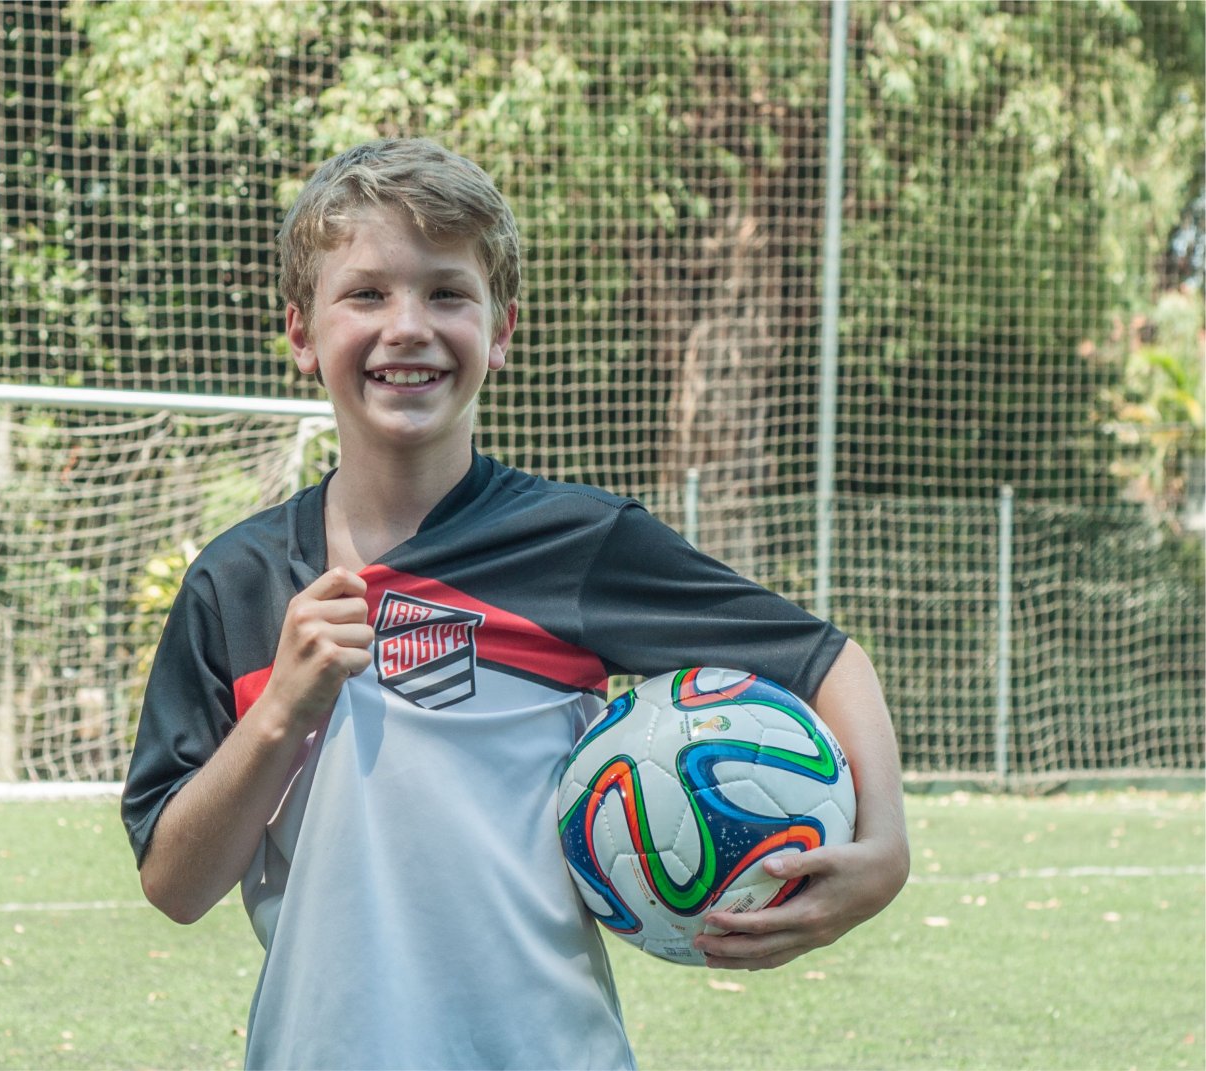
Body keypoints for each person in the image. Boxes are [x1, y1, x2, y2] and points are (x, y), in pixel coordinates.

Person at [121, 137, 909, 1069]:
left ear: (500, 332)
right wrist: (280, 714)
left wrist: (884, 853)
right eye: (366, 293)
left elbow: (822, 658)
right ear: (302, 332)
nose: (407, 324)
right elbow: (176, 883)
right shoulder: (236, 582)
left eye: (447, 292)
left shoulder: (576, 545)